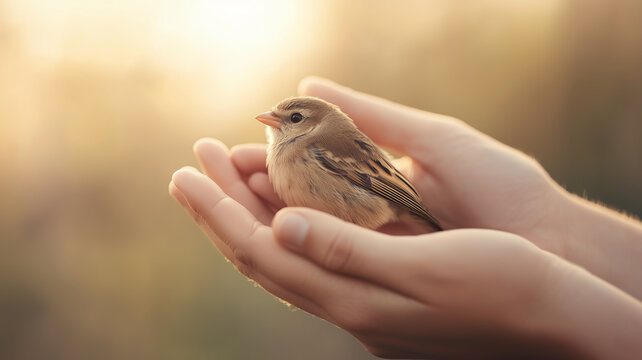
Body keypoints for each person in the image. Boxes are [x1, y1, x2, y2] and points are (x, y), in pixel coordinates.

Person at [169, 77, 642, 359]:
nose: (276, 122)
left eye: (291, 118)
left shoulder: (319, 145)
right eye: (281, 117)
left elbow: (381, 185)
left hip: (381, 204)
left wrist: (550, 300)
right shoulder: (293, 150)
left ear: (309, 125)